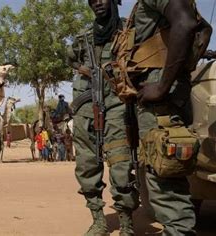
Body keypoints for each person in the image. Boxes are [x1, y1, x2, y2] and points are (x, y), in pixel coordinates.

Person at [125, 0, 211, 234]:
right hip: (159, 100)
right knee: (160, 173)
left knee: (165, 177)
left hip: (162, 103)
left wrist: (162, 86)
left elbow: (185, 23)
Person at [69, 0, 139, 235]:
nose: (97, 2)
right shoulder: (84, 37)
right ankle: (98, 220)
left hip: (118, 102)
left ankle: (126, 222)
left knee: (121, 163)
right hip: (87, 106)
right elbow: (70, 58)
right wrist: (84, 70)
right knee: (87, 163)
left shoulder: (128, 31)